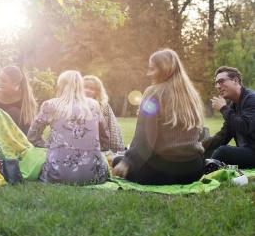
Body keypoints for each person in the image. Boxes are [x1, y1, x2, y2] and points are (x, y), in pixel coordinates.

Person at [113, 49, 205, 185]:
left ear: (164, 69)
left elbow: (145, 135)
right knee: (122, 159)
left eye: (152, 69)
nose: (148, 74)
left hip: (162, 171)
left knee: (117, 161)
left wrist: (127, 161)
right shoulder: (191, 95)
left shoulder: (153, 92)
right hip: (194, 170)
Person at [27, 70, 110, 185]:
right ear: (81, 86)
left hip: (56, 175)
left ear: (60, 85)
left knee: (34, 155)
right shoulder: (93, 105)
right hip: (93, 176)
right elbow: (105, 137)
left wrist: (48, 146)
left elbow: (32, 136)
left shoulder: (50, 105)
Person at [202, 66, 255, 168]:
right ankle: (192, 169)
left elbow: (245, 127)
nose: (218, 86)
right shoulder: (233, 106)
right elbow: (223, 135)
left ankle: (206, 170)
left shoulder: (251, 99)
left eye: (221, 81)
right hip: (247, 151)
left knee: (223, 151)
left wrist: (223, 108)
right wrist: (200, 146)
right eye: (216, 83)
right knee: (210, 149)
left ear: (235, 80)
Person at [0, 65, 37, 135]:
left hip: (17, 138)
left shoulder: (25, 100)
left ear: (16, 84)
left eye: (4, 81)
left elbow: (28, 129)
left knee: (14, 112)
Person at [83, 75, 124, 152]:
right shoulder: (73, 107)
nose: (87, 90)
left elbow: (113, 129)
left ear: (97, 92)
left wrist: (116, 150)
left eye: (91, 88)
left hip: (100, 150)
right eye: (85, 87)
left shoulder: (104, 106)